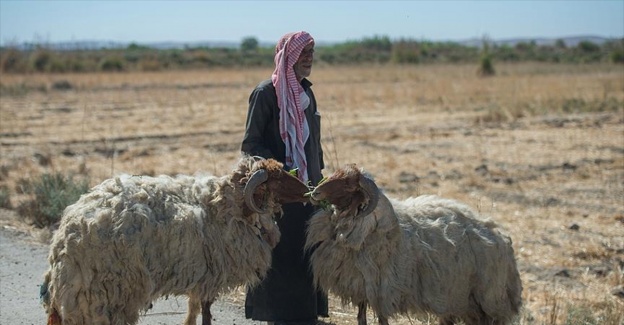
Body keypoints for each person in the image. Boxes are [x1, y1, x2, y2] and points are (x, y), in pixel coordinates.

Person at [241, 31, 328, 325]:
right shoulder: (265, 93)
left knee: (308, 256)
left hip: (310, 193)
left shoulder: (306, 93)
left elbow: (312, 143)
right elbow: (251, 145)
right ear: (288, 56)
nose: (309, 58)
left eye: (312, 52)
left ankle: (306, 317)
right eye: (303, 52)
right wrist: (281, 172)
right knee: (280, 258)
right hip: (278, 196)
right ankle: (278, 318)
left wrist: (319, 179)